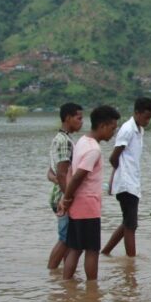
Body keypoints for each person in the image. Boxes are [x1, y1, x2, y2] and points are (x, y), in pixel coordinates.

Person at [59, 105, 121, 281]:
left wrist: (68, 199)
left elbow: (72, 174)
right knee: (92, 250)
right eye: (112, 129)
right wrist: (67, 198)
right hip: (87, 206)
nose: (112, 133)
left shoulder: (81, 141)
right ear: (102, 126)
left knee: (75, 248)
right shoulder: (93, 149)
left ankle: (66, 285)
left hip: (78, 205)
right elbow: (78, 176)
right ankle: (92, 289)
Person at [103, 97, 151, 257]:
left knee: (128, 222)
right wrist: (120, 174)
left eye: (150, 118)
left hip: (133, 182)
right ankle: (131, 262)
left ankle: (105, 252)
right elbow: (114, 157)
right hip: (126, 184)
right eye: (146, 117)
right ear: (137, 113)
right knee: (131, 225)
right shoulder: (127, 129)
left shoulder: (140, 130)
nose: (147, 121)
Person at [47, 103, 84, 270]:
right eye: (79, 118)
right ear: (68, 118)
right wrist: (67, 198)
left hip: (59, 194)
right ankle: (52, 272)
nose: (81, 122)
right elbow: (61, 174)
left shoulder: (61, 138)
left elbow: (50, 172)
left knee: (69, 239)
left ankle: (64, 280)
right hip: (62, 196)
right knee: (65, 239)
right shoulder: (64, 141)